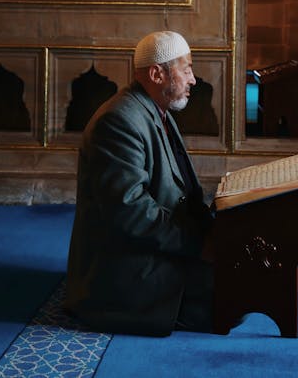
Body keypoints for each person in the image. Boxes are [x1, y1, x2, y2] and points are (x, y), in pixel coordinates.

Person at [65, 31, 215, 336]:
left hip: (151, 244)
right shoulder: (119, 121)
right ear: (157, 74)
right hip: (124, 265)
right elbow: (129, 211)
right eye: (186, 69)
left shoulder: (154, 107)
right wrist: (197, 246)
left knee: (237, 277)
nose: (193, 79)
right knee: (226, 292)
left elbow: (182, 186)